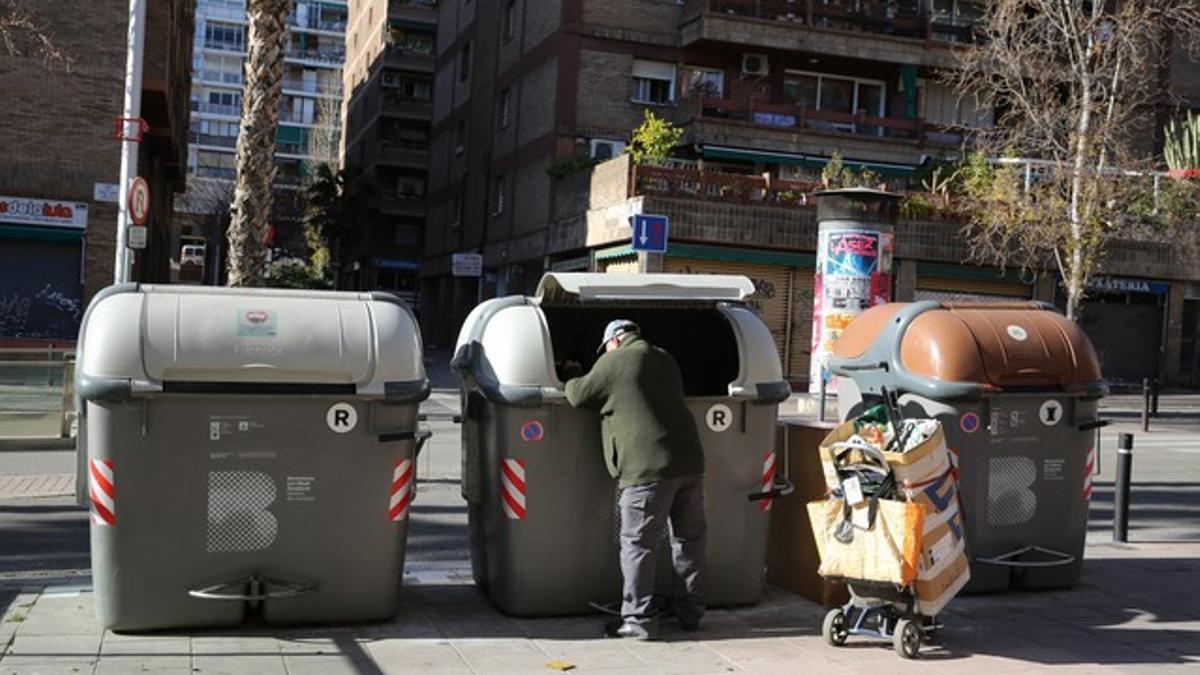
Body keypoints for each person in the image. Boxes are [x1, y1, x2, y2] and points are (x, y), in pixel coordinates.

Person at [564, 319, 706, 640]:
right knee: (688, 540)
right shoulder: (665, 357)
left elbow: (577, 395)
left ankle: (638, 620)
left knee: (638, 545)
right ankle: (690, 613)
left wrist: (573, 371)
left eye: (605, 349)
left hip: (647, 469)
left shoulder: (616, 359)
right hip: (689, 463)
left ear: (614, 340)